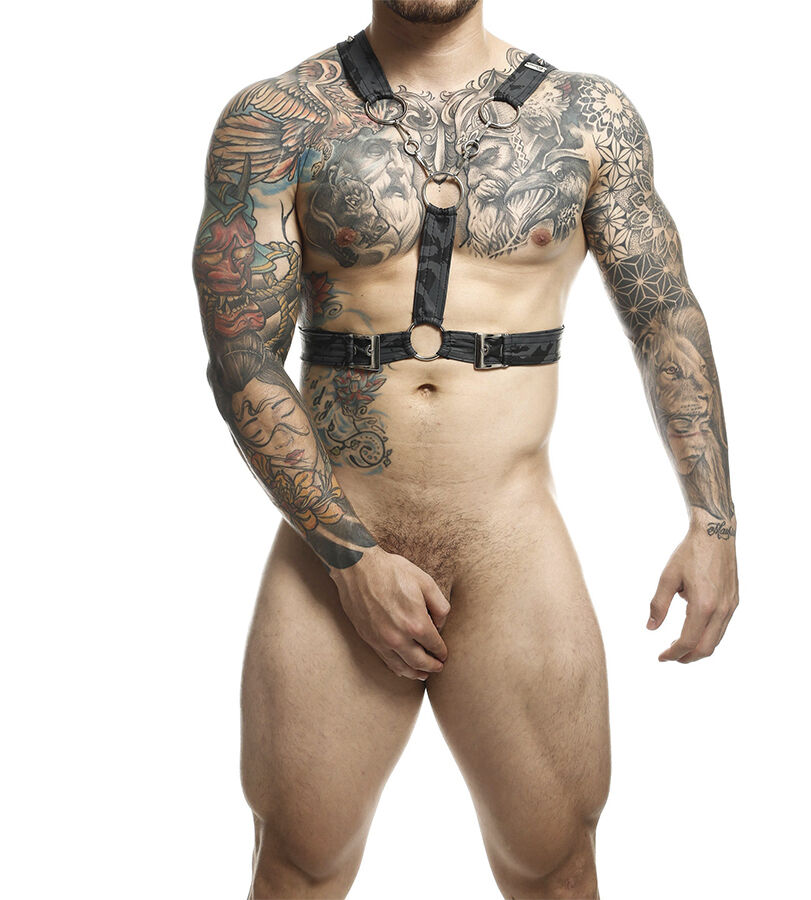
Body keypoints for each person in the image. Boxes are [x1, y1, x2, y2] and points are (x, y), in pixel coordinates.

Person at [191, 1, 739, 896]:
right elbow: (242, 357)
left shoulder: (587, 116)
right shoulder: (278, 119)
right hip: (336, 541)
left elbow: (664, 315)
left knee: (554, 865)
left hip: (509, 542)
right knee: (299, 864)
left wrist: (712, 522)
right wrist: (349, 556)